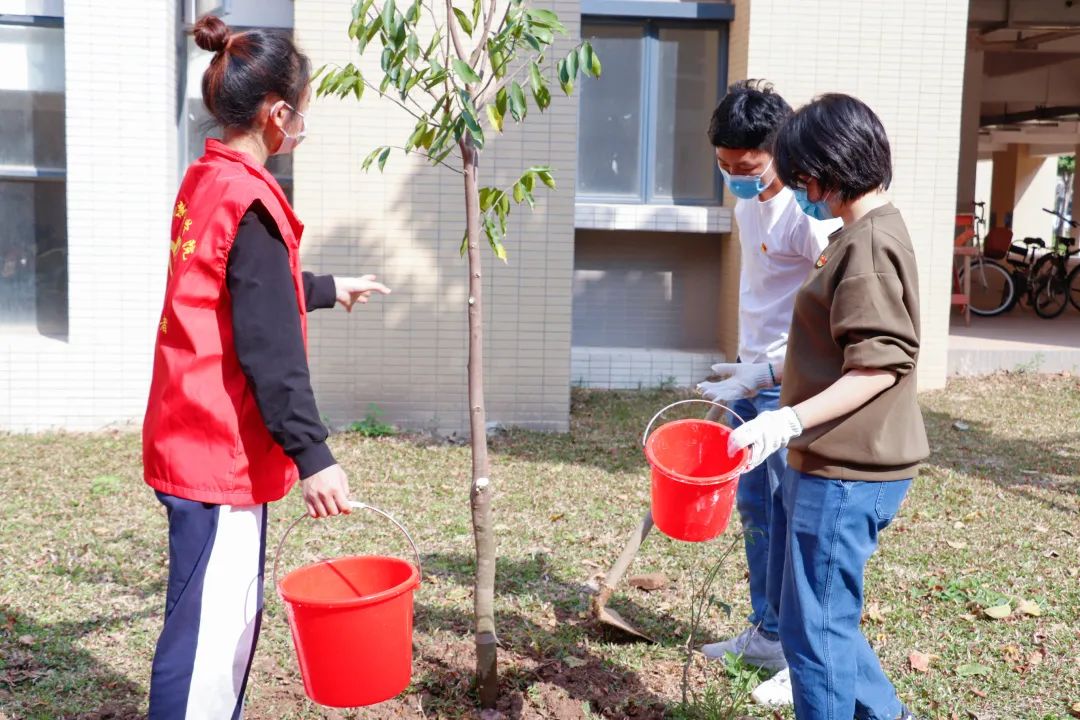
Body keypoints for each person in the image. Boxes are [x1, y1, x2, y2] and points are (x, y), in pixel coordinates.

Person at [141, 15, 390, 718]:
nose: (302, 128)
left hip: (187, 432)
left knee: (209, 627)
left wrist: (324, 288)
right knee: (208, 649)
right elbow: (268, 346)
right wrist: (314, 457)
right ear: (278, 113)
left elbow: (238, 289)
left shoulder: (210, 178)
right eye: (303, 116)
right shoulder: (251, 201)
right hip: (215, 452)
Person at [728, 94, 928, 720]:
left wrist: (788, 419)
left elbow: (877, 365)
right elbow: (837, 347)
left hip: (846, 470)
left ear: (827, 169)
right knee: (825, 620)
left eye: (800, 176)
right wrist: (759, 373)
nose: (798, 190)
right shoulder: (863, 232)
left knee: (812, 636)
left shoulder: (865, 249)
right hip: (842, 463)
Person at [696, 80, 838, 684]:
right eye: (726, 165)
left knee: (793, 517)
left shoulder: (808, 220)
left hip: (791, 386)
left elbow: (829, 309)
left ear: (779, 151)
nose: (736, 175)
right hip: (750, 381)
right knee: (755, 511)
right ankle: (768, 631)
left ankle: (800, 653)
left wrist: (773, 369)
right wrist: (743, 364)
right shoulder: (743, 203)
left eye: (747, 166)